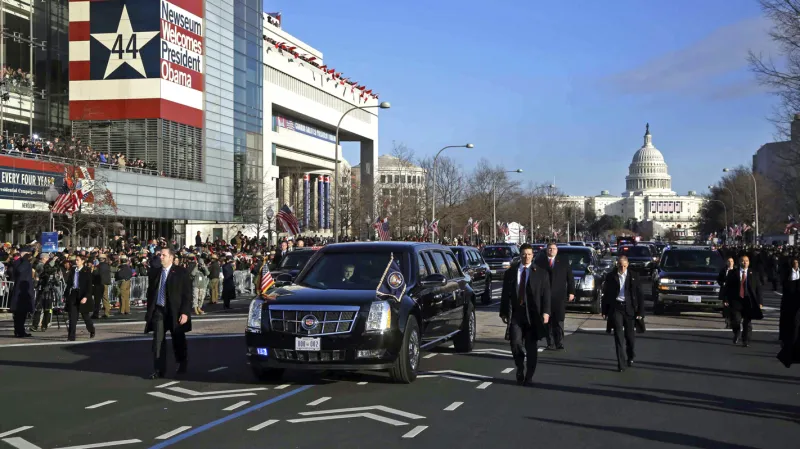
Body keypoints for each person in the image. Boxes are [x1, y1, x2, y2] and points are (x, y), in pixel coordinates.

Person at [499, 243, 551, 386]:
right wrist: (503, 311)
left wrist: (546, 312)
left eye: (529, 254)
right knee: (515, 343)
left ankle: (529, 374)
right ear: (520, 255)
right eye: (524, 254)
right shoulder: (511, 272)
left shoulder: (541, 273)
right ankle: (520, 366)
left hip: (533, 315)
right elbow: (505, 294)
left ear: (532, 255)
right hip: (516, 314)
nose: (526, 257)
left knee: (531, 347)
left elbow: (546, 295)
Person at [145, 247, 192, 379]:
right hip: (159, 310)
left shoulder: (181, 272)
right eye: (160, 255)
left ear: (171, 257)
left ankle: (182, 361)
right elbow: (151, 292)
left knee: (178, 339)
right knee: (158, 340)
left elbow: (187, 294)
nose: (161, 257)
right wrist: (150, 310)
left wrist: (185, 312)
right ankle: (159, 369)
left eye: (164, 255)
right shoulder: (155, 272)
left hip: (175, 311)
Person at [601, 254, 644, 372]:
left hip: (629, 309)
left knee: (630, 337)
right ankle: (621, 363)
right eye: (620, 266)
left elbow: (639, 295)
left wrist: (640, 312)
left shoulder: (634, 276)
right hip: (616, 308)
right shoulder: (611, 276)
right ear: (617, 265)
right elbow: (606, 294)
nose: (622, 268)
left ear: (628, 265)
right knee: (618, 336)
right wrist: (604, 310)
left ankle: (630, 355)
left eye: (624, 266)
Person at [537, 243, 574, 350]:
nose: (551, 250)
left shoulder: (563, 262)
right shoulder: (540, 262)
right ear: (546, 250)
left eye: (553, 249)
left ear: (556, 250)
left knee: (559, 320)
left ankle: (559, 342)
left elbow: (570, 278)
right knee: (547, 320)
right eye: (549, 249)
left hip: (559, 296)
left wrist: (571, 292)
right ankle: (550, 342)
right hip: (544, 296)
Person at [724, 255, 764, 347]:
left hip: (748, 301)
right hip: (736, 301)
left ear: (749, 262)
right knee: (736, 320)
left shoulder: (753, 273)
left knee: (747, 322)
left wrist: (760, 302)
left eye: (746, 261)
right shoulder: (733, 273)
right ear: (739, 262)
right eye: (743, 261)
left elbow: (758, 289)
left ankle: (746, 340)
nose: (745, 262)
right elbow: (727, 287)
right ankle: (736, 332)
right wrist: (726, 299)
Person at [65, 254, 95, 341]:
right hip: (74, 293)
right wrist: (66, 294)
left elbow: (89, 285)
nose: (76, 261)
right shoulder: (73, 270)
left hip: (83, 294)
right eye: (76, 260)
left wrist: (86, 297)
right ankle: (71, 336)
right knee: (72, 317)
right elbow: (69, 283)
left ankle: (91, 329)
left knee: (85, 316)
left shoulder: (86, 270)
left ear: (82, 261)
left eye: (78, 260)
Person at [9, 247, 35, 338]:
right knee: (19, 313)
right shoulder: (21, 262)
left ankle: (21, 330)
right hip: (20, 290)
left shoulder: (25, 262)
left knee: (23, 313)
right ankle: (19, 331)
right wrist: (24, 259)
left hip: (25, 290)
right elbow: (19, 271)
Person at [718, 256, 736, 329]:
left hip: (734, 292)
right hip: (726, 292)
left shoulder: (736, 270)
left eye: (731, 261)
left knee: (734, 308)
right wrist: (722, 283)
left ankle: (733, 322)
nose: (730, 263)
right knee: (726, 308)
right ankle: (728, 322)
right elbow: (719, 279)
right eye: (729, 261)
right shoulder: (723, 270)